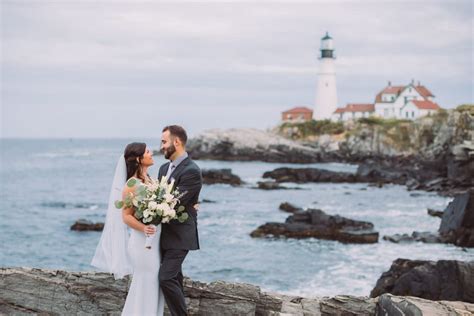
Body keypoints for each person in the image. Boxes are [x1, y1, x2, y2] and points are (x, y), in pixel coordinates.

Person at [92, 142, 165, 316]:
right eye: (148, 151)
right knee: (146, 284)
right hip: (142, 245)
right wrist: (144, 228)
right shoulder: (132, 184)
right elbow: (126, 216)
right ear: (139, 159)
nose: (152, 153)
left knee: (153, 284)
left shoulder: (150, 180)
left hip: (155, 243)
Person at [158, 125, 202, 316]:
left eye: (164, 142)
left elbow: (174, 203)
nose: (161, 146)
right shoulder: (163, 168)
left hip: (180, 235)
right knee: (175, 278)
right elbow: (160, 198)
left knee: (165, 278)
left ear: (177, 142)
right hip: (163, 235)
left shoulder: (192, 171)